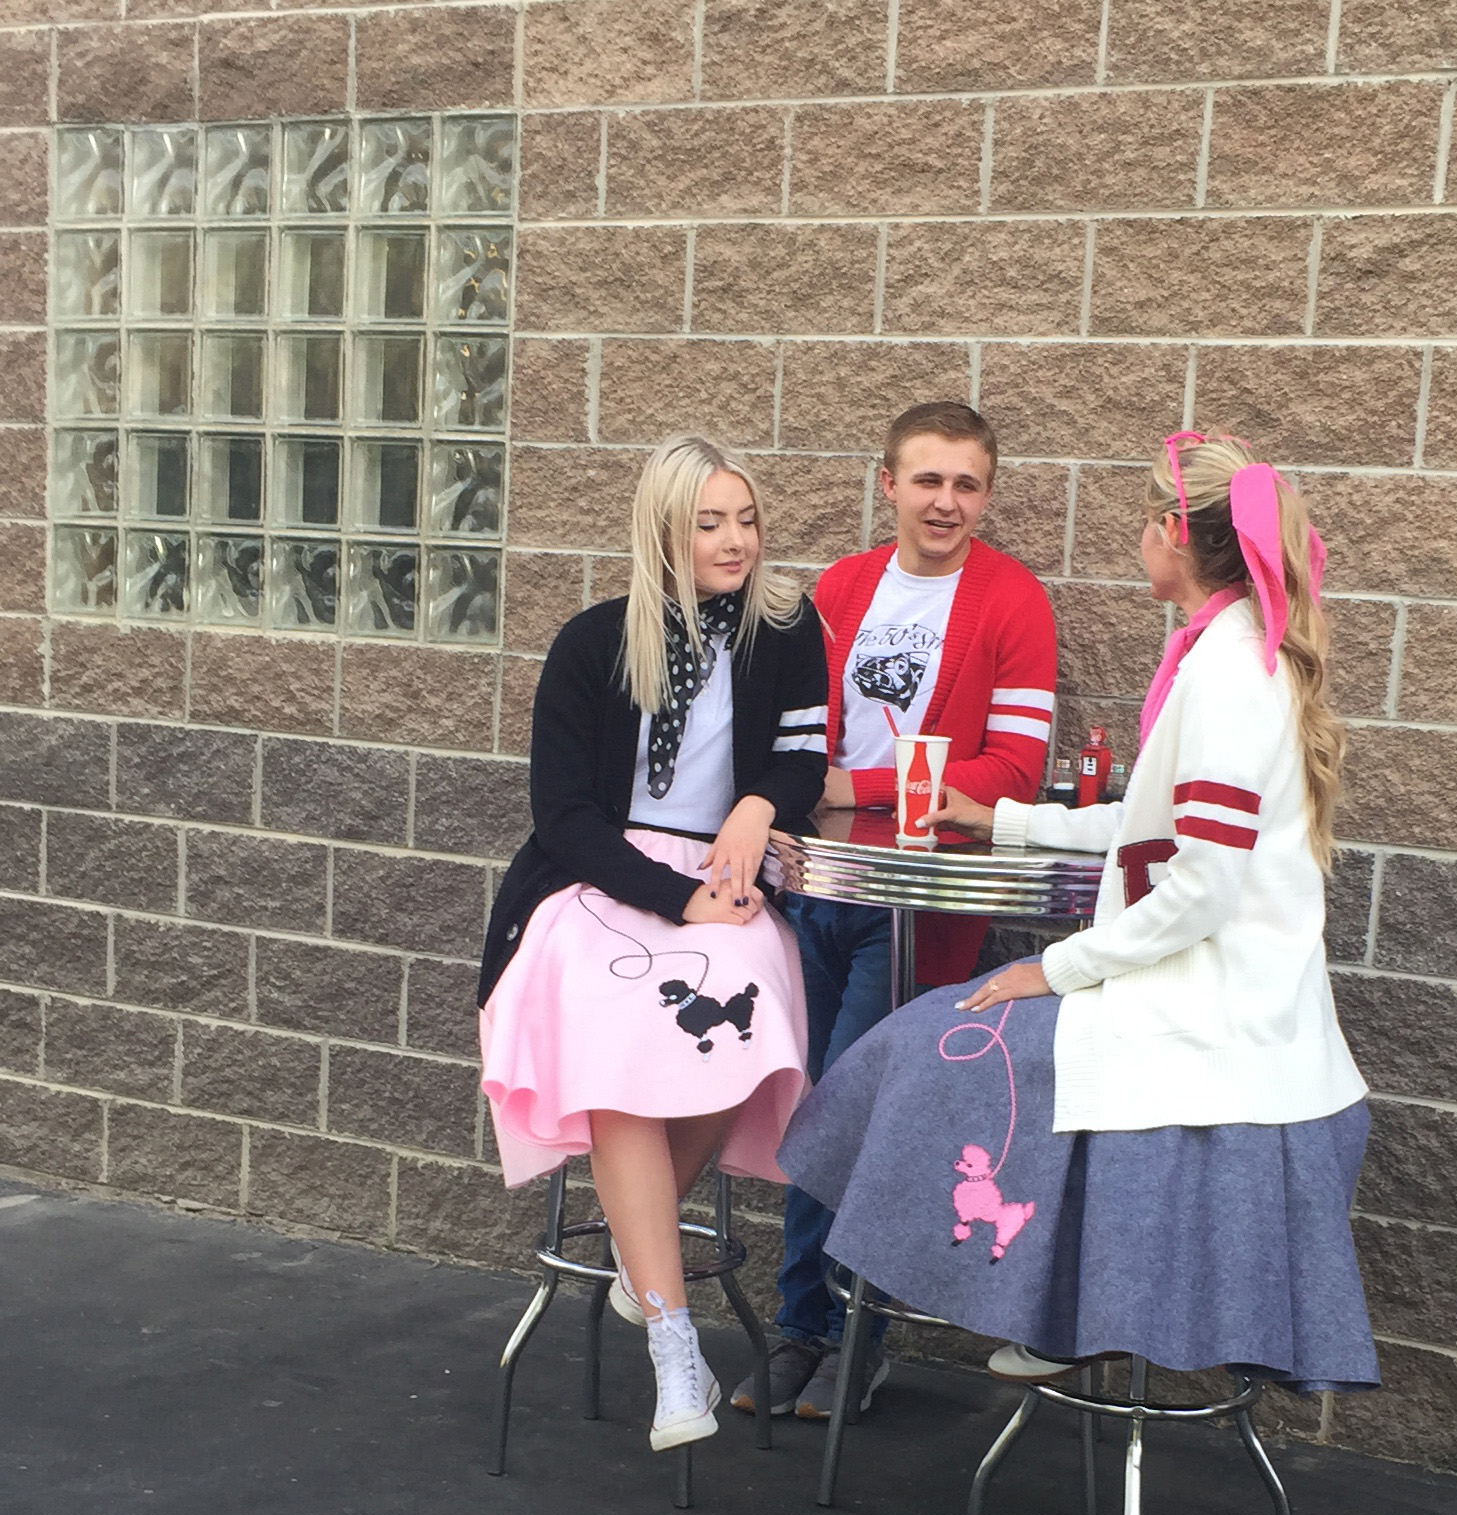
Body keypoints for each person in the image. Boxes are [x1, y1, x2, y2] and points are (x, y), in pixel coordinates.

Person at [775, 432, 1379, 1396]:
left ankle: (1035, 1309)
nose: (1137, 540)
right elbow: (1154, 822)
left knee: (927, 1045)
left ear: (1174, 535)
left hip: (1209, 1006)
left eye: (1145, 523)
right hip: (1205, 987)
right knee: (926, 1044)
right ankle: (1022, 1309)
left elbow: (1203, 882)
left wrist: (1052, 969)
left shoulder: (1226, 672)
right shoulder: (1225, 652)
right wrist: (1010, 817)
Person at [478, 435, 829, 1452]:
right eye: (709, 522)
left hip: (721, 876)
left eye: (746, 519)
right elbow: (563, 817)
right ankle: (674, 1341)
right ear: (664, 531)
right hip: (599, 885)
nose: (734, 540)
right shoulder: (593, 642)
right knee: (622, 1047)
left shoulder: (783, 627)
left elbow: (802, 759)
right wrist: (673, 902)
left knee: (752, 1015)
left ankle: (643, 1258)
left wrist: (759, 808)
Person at [731, 401, 1059, 1422]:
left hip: (918, 912)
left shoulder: (1014, 603)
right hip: (815, 891)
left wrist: (855, 786)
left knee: (864, 1116)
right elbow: (792, 745)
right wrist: (821, 788)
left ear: (988, 494)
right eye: (927, 479)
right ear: (887, 484)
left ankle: (849, 1340)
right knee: (808, 1111)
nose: (945, 501)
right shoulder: (841, 587)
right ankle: (802, 1331)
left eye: (966, 483)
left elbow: (1014, 771)